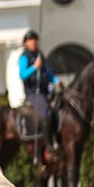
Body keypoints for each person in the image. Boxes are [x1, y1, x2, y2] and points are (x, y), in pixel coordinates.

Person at [18, 31, 57, 164]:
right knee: (46, 113)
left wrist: (57, 81)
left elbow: (49, 73)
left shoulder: (40, 55)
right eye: (31, 40)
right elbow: (22, 75)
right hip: (33, 93)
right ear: (26, 43)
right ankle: (49, 146)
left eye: (35, 39)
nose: (34, 42)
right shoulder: (24, 57)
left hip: (46, 91)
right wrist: (35, 67)